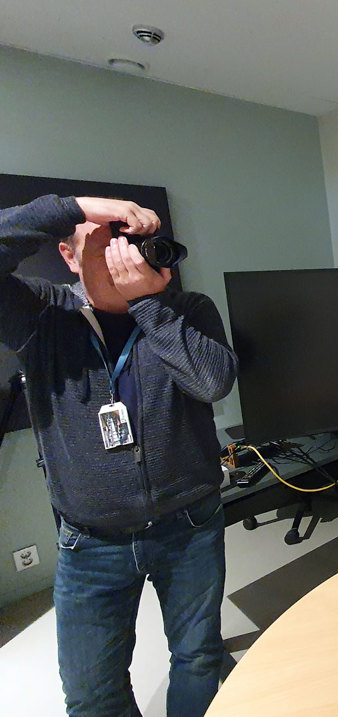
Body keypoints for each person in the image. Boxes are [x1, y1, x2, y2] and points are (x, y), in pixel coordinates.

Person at [0, 194, 238, 716]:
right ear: (67, 254)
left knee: (197, 658)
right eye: (106, 239)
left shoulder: (187, 309)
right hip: (90, 541)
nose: (123, 253)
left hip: (190, 525)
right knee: (91, 694)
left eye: (131, 241)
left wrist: (149, 305)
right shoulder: (39, 312)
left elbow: (212, 382)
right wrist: (75, 205)